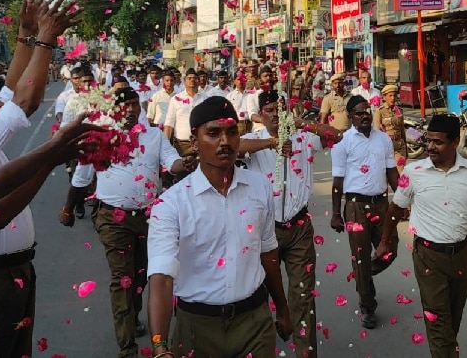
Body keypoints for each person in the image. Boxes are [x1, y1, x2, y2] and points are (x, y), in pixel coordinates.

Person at [147, 97, 293, 358]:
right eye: (213, 133)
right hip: (197, 328)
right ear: (194, 142)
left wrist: (282, 309)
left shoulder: (260, 187)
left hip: (255, 323)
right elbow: (161, 278)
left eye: (231, 132)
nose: (225, 141)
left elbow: (268, 254)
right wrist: (159, 345)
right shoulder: (171, 204)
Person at [59, 88, 196, 358]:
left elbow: (172, 163)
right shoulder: (99, 138)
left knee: (141, 276)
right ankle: (127, 349)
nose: (131, 110)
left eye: (135, 104)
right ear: (113, 110)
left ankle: (131, 317)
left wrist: (186, 163)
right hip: (113, 219)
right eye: (125, 105)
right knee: (122, 279)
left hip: (148, 219)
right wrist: (68, 207)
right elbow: (82, 178)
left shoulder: (154, 136)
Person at [0, 0, 84, 356]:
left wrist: (26, 37)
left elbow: (10, 94)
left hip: (10, 271)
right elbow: (25, 102)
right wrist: (44, 39)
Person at [376, 114, 467, 358]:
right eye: (428, 141)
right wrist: (386, 241)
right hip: (428, 257)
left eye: (438, 142)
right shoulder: (414, 171)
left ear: (455, 142)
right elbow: (395, 208)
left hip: (460, 256)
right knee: (438, 324)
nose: (430, 147)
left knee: (451, 321)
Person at [239, 90, 342, 358]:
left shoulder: (304, 138)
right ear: (261, 115)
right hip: (264, 229)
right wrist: (271, 143)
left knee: (302, 296)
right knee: (258, 294)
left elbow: (335, 135)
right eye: (269, 110)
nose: (275, 115)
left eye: (280, 109)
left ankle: (305, 352)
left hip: (298, 228)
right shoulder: (255, 139)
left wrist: (298, 123)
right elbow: (235, 148)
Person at [330, 95, 399, 329]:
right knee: (360, 256)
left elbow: (392, 173)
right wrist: (336, 213)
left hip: (381, 203)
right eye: (359, 113)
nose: (365, 115)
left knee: (390, 250)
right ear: (350, 117)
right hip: (355, 207)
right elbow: (338, 182)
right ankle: (368, 306)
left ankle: (363, 272)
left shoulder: (383, 139)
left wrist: (402, 199)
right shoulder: (343, 143)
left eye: (366, 111)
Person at [373, 84, 408, 170]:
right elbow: (376, 132)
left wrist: (406, 148)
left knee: (401, 171)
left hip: (400, 145)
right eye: (390, 95)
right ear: (384, 97)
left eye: (395, 95)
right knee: (389, 173)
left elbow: (402, 130)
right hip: (387, 146)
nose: (393, 98)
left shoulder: (399, 110)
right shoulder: (379, 112)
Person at [227, 70, 253, 135]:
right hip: (237, 125)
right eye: (238, 79)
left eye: (242, 79)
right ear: (234, 81)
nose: (241, 82)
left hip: (251, 125)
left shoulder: (251, 94)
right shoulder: (230, 96)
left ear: (245, 80)